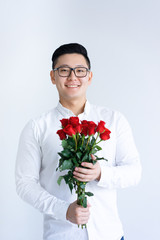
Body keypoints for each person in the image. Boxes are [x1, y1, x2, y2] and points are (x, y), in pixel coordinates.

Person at [15, 43, 141, 240]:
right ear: (52, 76)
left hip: (110, 234)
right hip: (61, 235)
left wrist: (101, 173)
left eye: (80, 71)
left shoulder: (114, 119)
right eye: (64, 70)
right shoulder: (37, 127)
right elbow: (25, 184)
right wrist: (63, 210)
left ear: (89, 77)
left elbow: (134, 172)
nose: (73, 77)